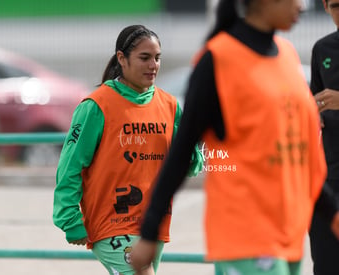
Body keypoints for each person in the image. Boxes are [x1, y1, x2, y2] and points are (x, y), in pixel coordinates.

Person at [130, 1, 333, 275]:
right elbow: (182, 149)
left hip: (288, 235)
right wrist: (150, 230)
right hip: (245, 235)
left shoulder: (287, 55)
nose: (302, 5)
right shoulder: (218, 59)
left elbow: (299, 155)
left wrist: (332, 214)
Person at [52, 24, 202, 275]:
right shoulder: (97, 105)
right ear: (122, 59)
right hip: (112, 223)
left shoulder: (170, 105)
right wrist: (69, 219)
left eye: (157, 58)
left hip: (153, 223)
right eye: (144, 58)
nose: (153, 65)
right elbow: (71, 165)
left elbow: (189, 166)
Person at [309, 1, 339, 274]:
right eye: (337, 5)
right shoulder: (322, 49)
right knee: (326, 265)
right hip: (327, 179)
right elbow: (314, 101)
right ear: (325, 7)